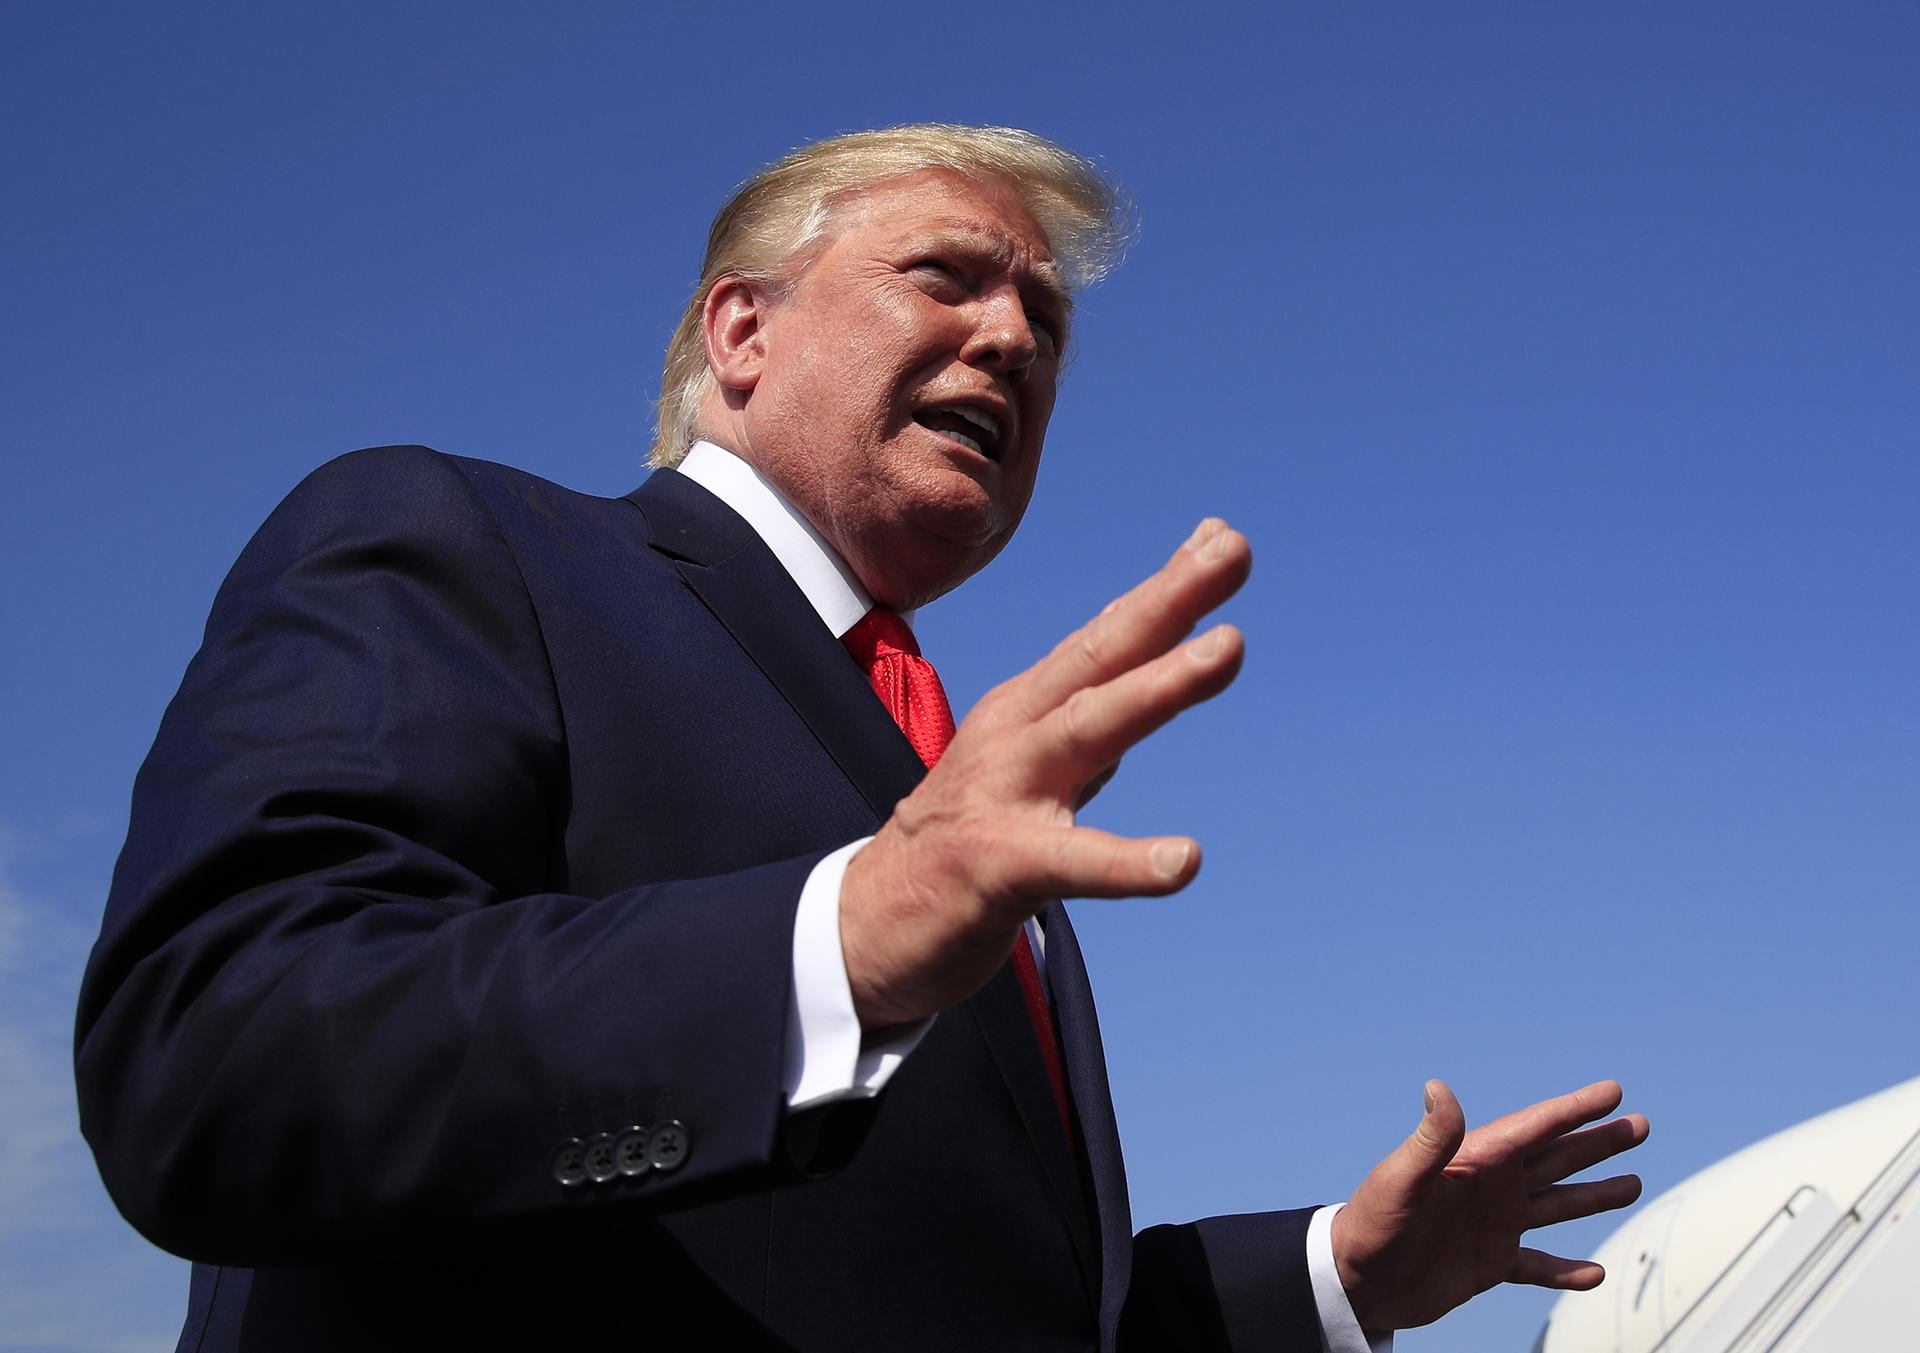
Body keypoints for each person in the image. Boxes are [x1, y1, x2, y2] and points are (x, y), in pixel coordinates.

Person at [76, 124, 1647, 1352]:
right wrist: (834, 945)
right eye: (950, 276)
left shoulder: (950, 789)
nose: (1017, 337)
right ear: (742, 329)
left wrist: (1330, 1278)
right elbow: (215, 1059)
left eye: (1042, 311)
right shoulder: (463, 544)